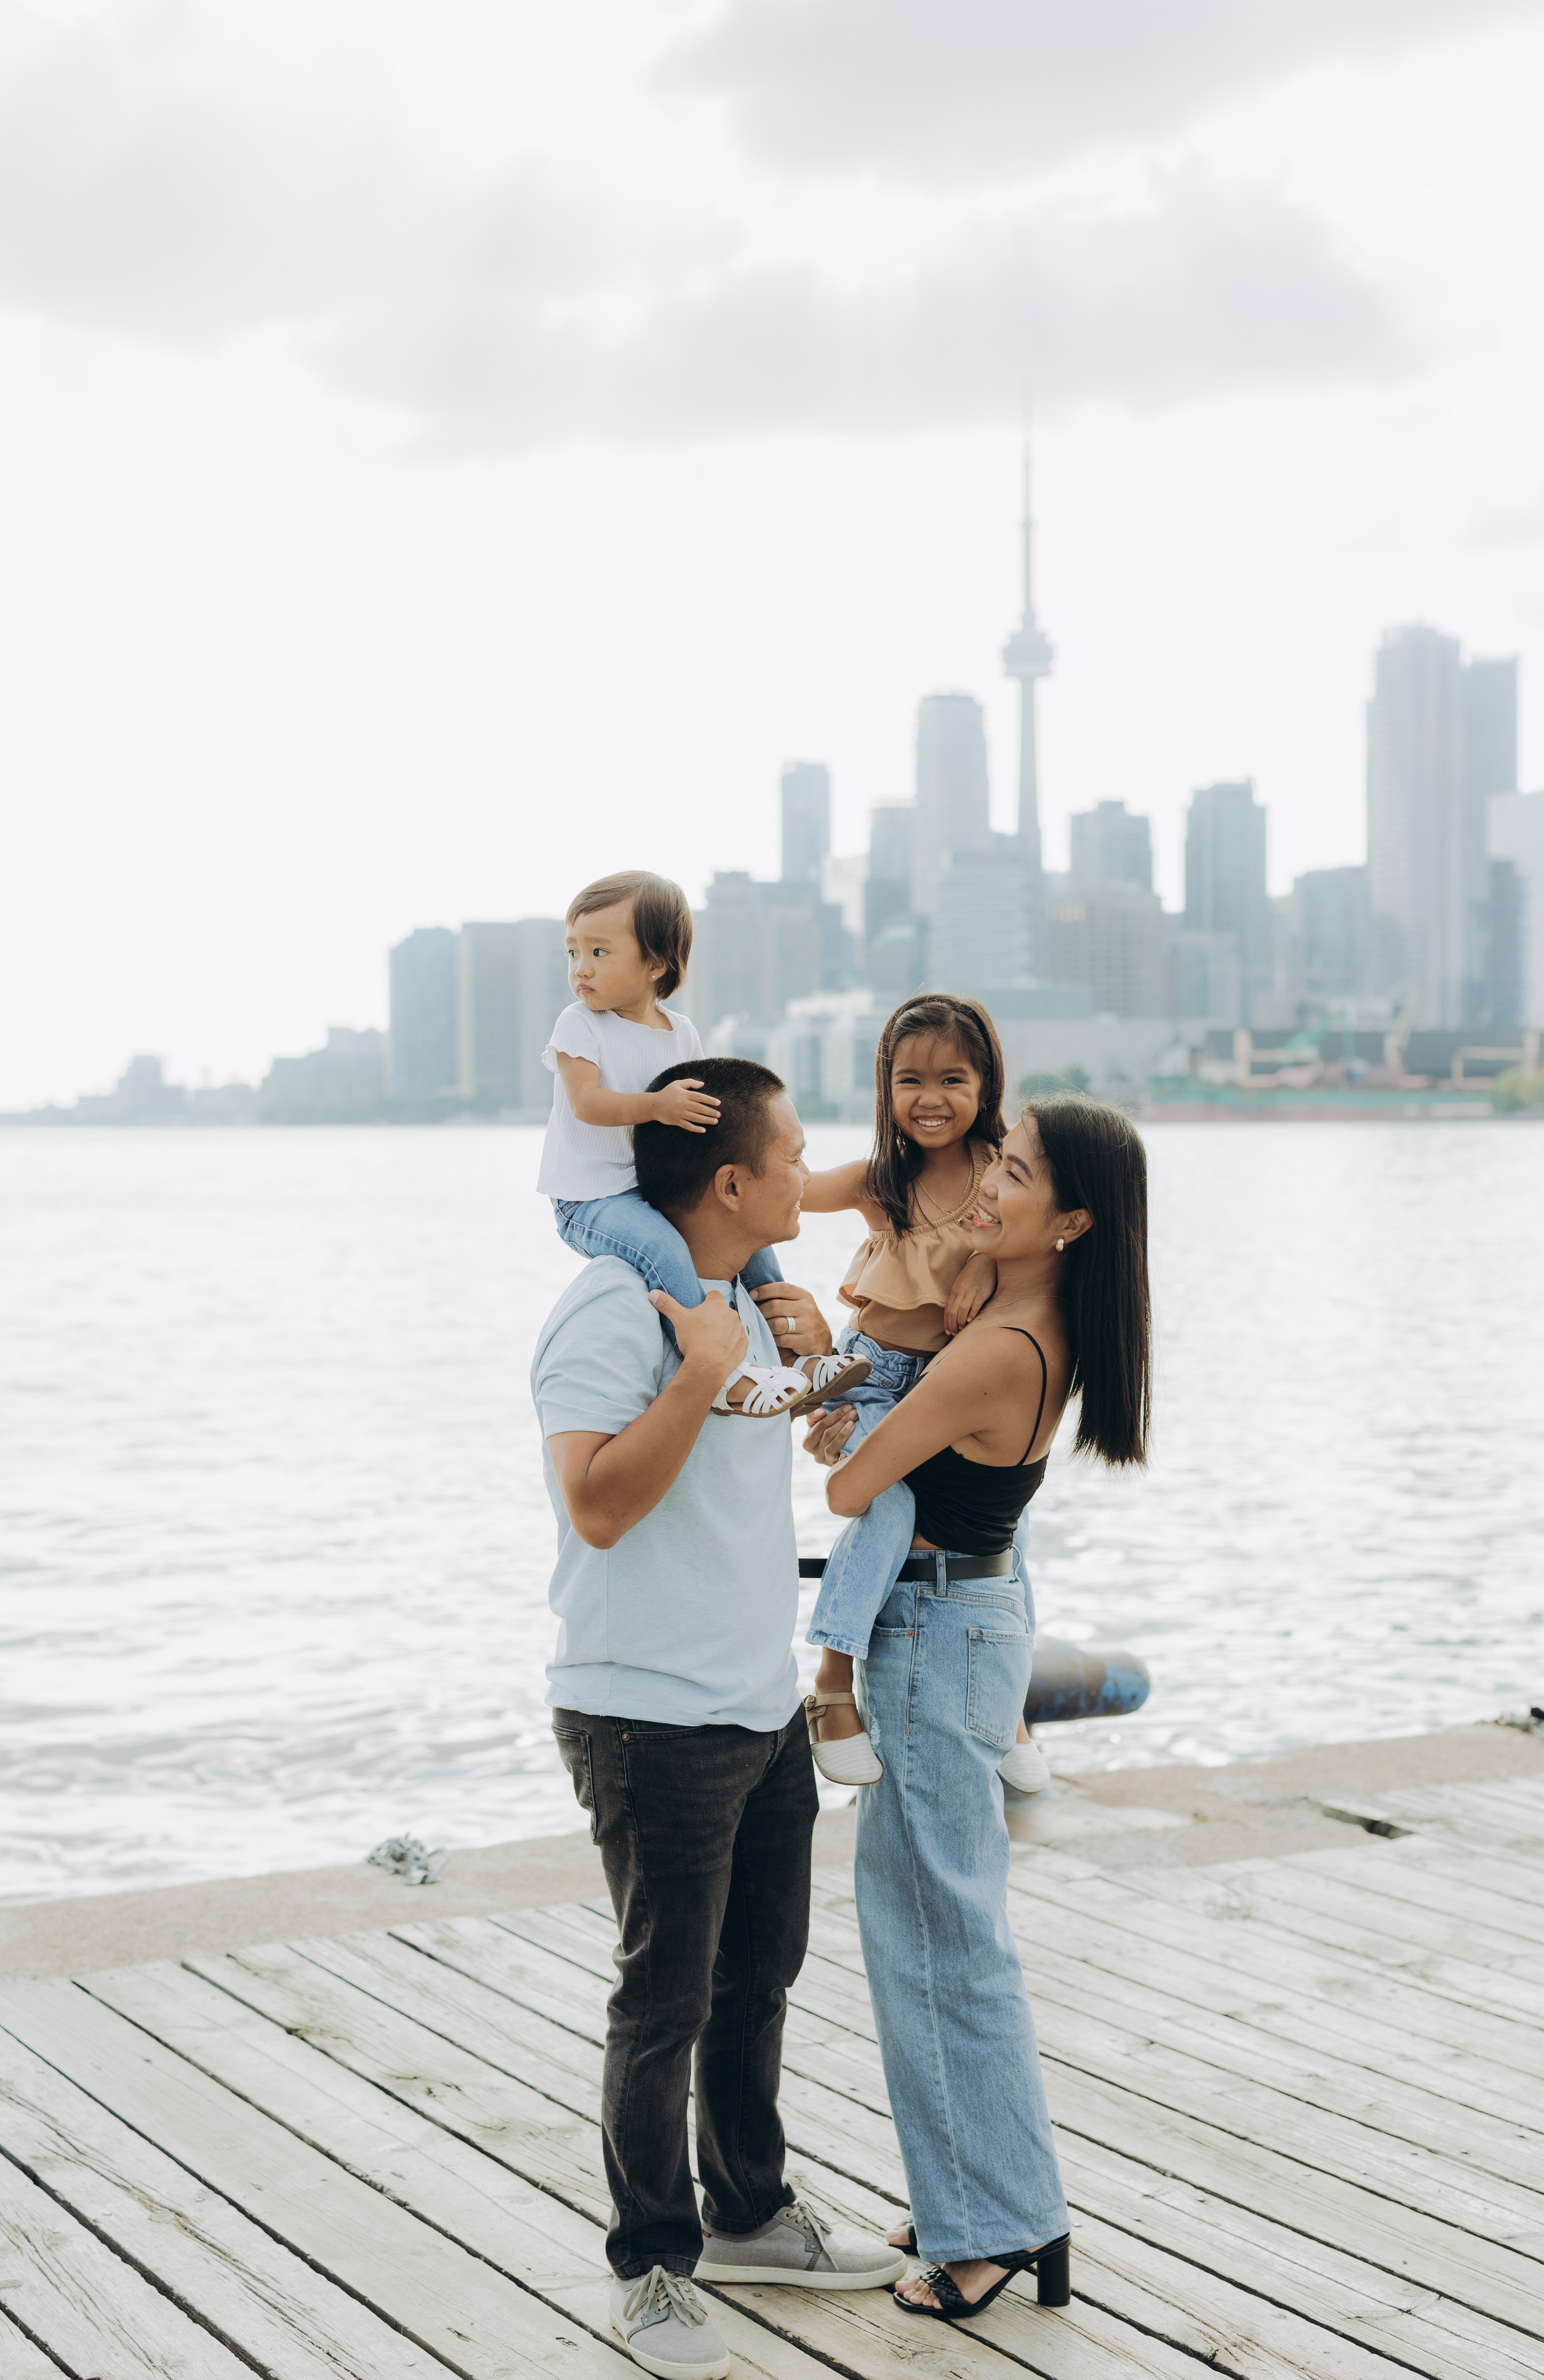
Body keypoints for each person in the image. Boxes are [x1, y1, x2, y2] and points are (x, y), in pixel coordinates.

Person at [533, 1054, 904, 2380]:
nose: (814, 1171)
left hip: (752, 1709)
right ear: (735, 1179)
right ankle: (652, 2268)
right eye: (796, 1153)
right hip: (646, 1720)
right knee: (663, 2002)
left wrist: (816, 1371)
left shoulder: (747, 1302)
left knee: (756, 1980)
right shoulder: (611, 1314)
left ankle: (745, 2212)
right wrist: (695, 1373)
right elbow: (597, 1506)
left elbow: (795, 1457)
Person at [803, 1093, 1152, 2325]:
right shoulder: (1013, 1321)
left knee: (928, 1938)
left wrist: (838, 1416)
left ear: (1068, 1221)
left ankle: (987, 2231)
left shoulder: (995, 1349)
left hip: (930, 1637)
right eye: (993, 1162)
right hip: (964, 1626)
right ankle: (986, 2198)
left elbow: (851, 1485)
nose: (985, 1185)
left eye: (1014, 1175)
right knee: (951, 1931)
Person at [797, 995, 1048, 1793]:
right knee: (891, 1507)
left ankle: (1010, 1707)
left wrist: (982, 1260)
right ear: (884, 1089)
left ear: (986, 1084)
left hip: (949, 1387)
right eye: (909, 1080)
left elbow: (1038, 1242)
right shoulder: (883, 1180)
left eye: (952, 1079)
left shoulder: (1003, 1170)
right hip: (872, 1376)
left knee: (1009, 1528)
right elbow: (785, 1192)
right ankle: (832, 1683)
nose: (930, 1098)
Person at [537, 868, 868, 1419]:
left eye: (598, 951)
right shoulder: (579, 1025)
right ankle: (723, 1373)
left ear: (655, 964)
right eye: (572, 953)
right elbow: (587, 1104)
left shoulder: (680, 1032)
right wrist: (658, 1106)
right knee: (663, 1251)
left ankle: (798, 1359)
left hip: (654, 1188)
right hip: (592, 1200)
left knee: (755, 1245)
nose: (581, 969)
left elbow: (700, 1116)